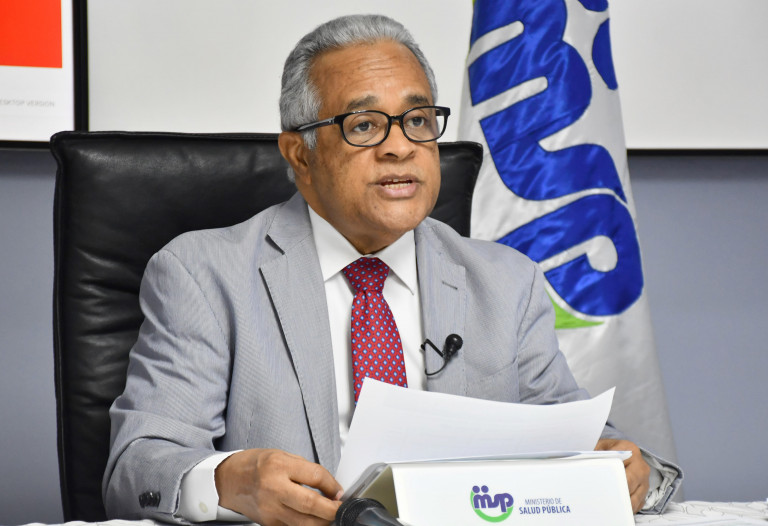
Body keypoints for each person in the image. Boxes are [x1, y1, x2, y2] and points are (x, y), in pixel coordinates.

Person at [103, 14, 681, 526]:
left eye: (418, 120)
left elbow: (582, 443)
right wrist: (230, 482)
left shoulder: (507, 283)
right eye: (364, 126)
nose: (400, 147)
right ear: (300, 154)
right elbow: (136, 467)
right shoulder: (205, 275)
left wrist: (628, 470)